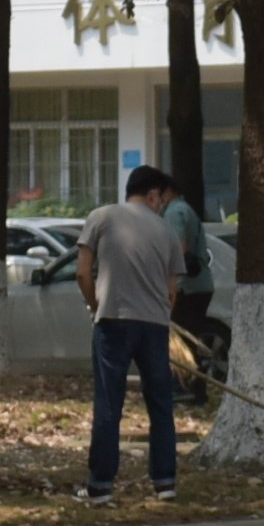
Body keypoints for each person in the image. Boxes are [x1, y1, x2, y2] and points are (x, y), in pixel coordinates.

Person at [78, 165, 188, 503]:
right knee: (160, 405)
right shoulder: (166, 231)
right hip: (154, 325)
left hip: (113, 319)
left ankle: (100, 485)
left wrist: (95, 304)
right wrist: (161, 316)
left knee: (109, 405)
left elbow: (83, 272)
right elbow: (172, 290)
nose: (162, 205)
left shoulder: (101, 217)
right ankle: (165, 482)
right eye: (162, 199)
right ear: (153, 194)